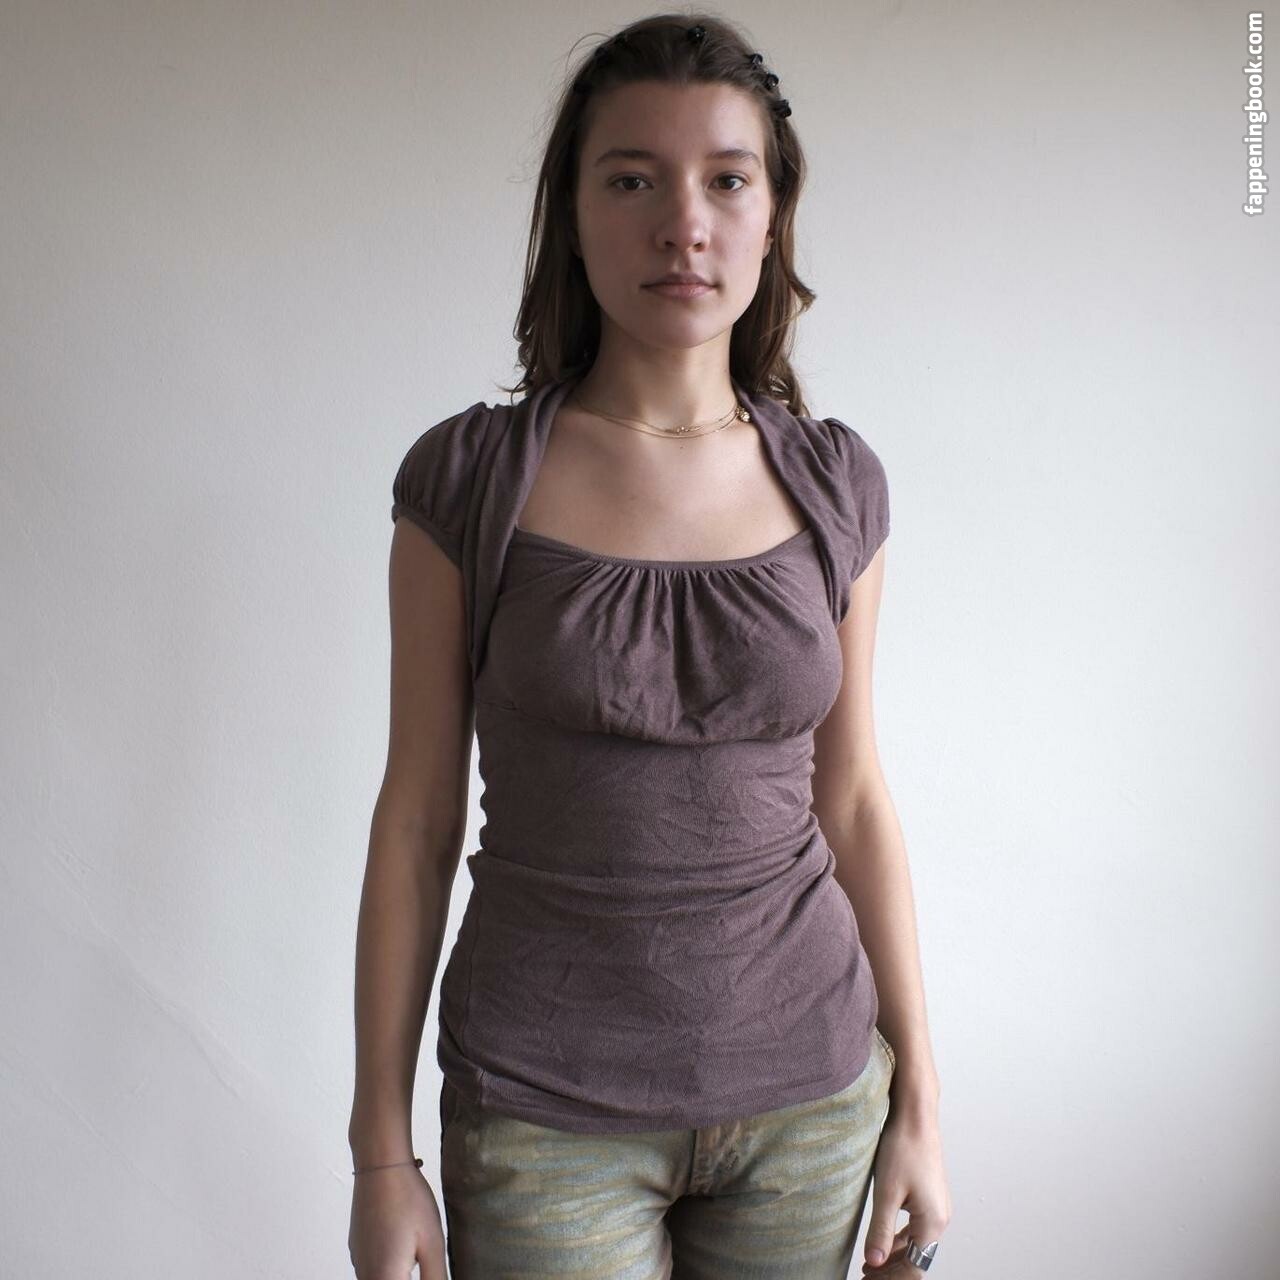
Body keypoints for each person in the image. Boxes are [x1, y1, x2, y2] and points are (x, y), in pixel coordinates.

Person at [348, 13, 951, 1279]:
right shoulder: (469, 479)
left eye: (725, 180)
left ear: (771, 217)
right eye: (631, 180)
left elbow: (851, 796)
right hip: (542, 1113)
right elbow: (414, 817)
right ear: (571, 214)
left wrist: (922, 1103)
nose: (683, 223)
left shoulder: (836, 484)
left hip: (811, 1100)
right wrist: (380, 1153)